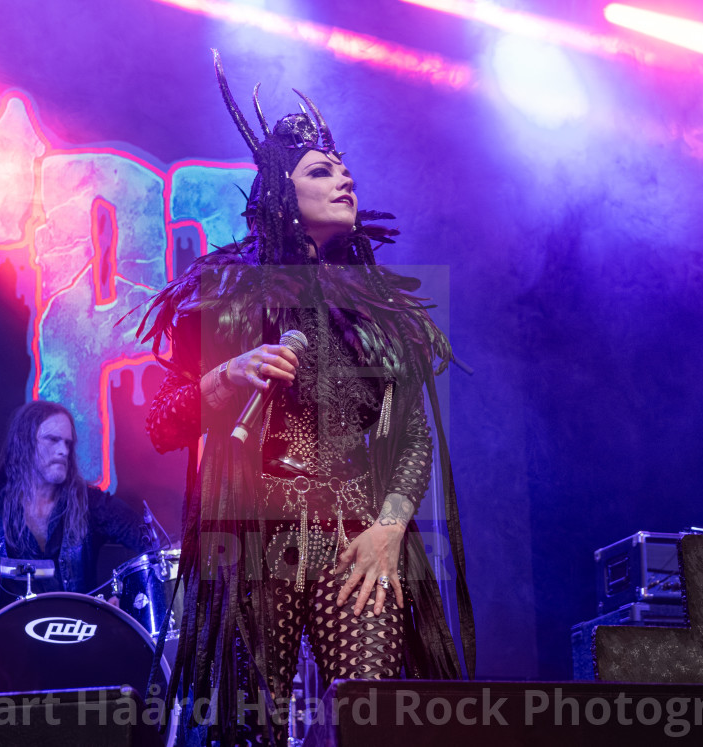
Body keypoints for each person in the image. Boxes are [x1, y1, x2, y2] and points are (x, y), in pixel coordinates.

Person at [135, 53, 474, 746]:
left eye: (345, 169)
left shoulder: (379, 307)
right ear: (281, 195)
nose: (345, 178)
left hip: (357, 535)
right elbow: (163, 423)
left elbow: (413, 435)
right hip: (256, 539)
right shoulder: (226, 292)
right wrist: (228, 376)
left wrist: (390, 528)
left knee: (369, 721)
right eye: (321, 171)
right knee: (249, 731)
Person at [0, 400, 160, 626]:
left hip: (75, 643)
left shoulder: (91, 504)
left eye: (68, 443)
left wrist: (125, 598)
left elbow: (154, 547)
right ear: (24, 444)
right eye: (52, 440)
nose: (63, 450)